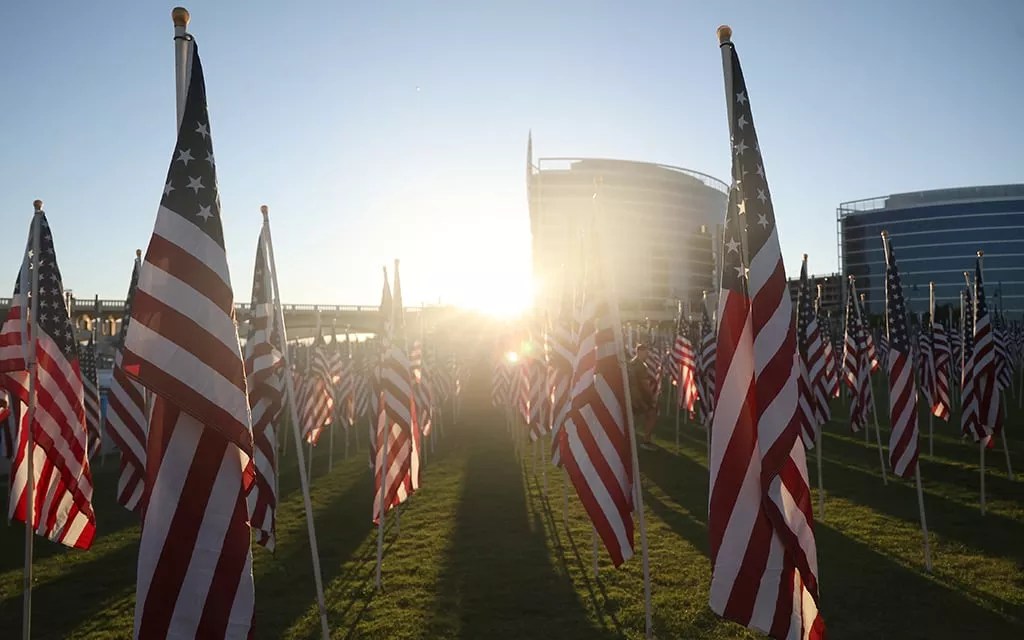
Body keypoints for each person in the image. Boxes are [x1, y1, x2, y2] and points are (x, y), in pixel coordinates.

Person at [627, 343, 657, 450]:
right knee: (652, 415)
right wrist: (652, 397)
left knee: (634, 418)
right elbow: (644, 384)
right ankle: (646, 440)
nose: (647, 354)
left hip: (631, 395)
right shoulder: (641, 366)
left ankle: (629, 439)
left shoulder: (631, 363)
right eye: (645, 352)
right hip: (640, 396)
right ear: (639, 352)